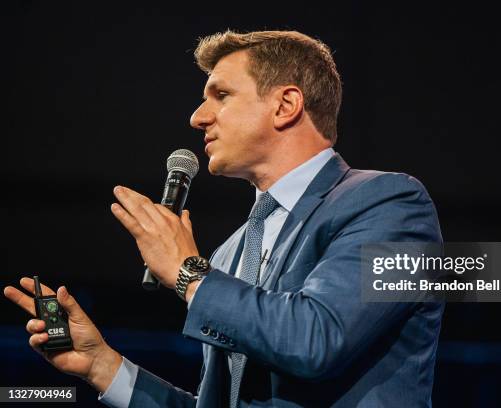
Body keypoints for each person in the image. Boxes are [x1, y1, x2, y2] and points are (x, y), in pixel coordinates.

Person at [4, 30, 444, 407]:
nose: (198, 117)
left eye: (222, 95)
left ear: (286, 105)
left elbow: (317, 338)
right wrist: (103, 365)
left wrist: (188, 273)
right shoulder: (232, 252)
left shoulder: (390, 204)